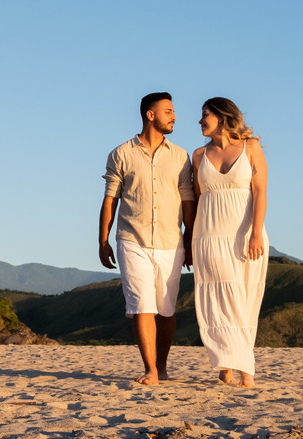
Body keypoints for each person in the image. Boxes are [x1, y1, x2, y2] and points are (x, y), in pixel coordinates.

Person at [99, 92, 196, 386]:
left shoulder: (181, 156)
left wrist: (190, 241)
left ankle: (162, 366)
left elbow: (188, 201)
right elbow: (110, 200)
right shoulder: (121, 154)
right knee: (142, 305)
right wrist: (103, 240)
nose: (175, 116)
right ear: (150, 115)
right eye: (168, 111)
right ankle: (150, 370)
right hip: (132, 239)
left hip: (171, 241)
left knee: (166, 310)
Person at [191, 97, 268, 388]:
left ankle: (239, 365)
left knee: (245, 300)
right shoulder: (198, 155)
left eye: (205, 115)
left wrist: (257, 232)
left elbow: (260, 193)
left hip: (246, 234)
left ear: (222, 117)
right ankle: (231, 363)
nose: (200, 121)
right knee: (219, 301)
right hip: (208, 235)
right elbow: (198, 200)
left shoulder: (252, 147)